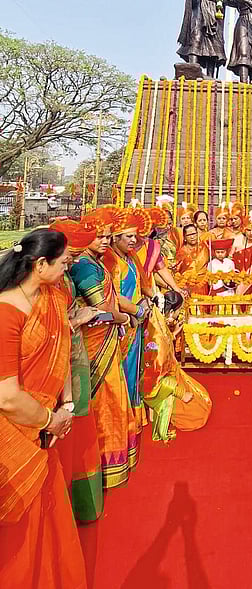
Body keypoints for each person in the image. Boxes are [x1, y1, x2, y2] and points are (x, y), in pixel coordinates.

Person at [0, 229, 88, 589]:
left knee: (47, 517)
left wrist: (65, 405)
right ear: (40, 264)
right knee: (19, 529)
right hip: (14, 431)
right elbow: (5, 396)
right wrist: (51, 420)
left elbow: (62, 348)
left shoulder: (52, 297)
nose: (70, 267)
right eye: (65, 261)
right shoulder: (6, 312)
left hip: (46, 425)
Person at [71, 208, 138, 489]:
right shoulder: (85, 266)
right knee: (105, 400)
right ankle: (103, 464)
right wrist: (127, 316)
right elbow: (101, 309)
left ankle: (113, 462)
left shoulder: (97, 263)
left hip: (108, 338)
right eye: (99, 237)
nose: (105, 241)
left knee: (113, 398)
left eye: (108, 237)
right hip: (96, 341)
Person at [50, 218, 104, 523]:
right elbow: (49, 333)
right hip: (58, 367)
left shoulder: (65, 277)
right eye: (70, 256)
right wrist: (77, 320)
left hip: (75, 359)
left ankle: (78, 504)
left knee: (79, 424)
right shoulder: (45, 289)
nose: (73, 262)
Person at [102, 206, 152, 433]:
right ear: (115, 238)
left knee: (134, 368)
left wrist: (154, 299)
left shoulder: (130, 258)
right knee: (121, 371)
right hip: (121, 325)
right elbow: (113, 294)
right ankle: (121, 421)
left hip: (135, 324)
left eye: (135, 236)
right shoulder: (111, 261)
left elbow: (142, 285)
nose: (134, 240)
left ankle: (132, 416)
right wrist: (136, 311)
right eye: (129, 236)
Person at [143, 294, 212, 441]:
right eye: (178, 311)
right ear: (170, 311)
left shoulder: (157, 321)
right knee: (198, 415)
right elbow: (154, 378)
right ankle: (156, 408)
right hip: (164, 387)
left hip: (172, 375)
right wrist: (181, 394)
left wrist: (173, 334)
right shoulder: (158, 338)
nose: (178, 315)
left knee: (203, 401)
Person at [175, 224, 210, 295]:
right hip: (187, 287)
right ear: (184, 237)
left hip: (203, 284)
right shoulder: (181, 252)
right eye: (189, 235)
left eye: (194, 234)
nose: (192, 237)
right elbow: (177, 270)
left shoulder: (205, 247)